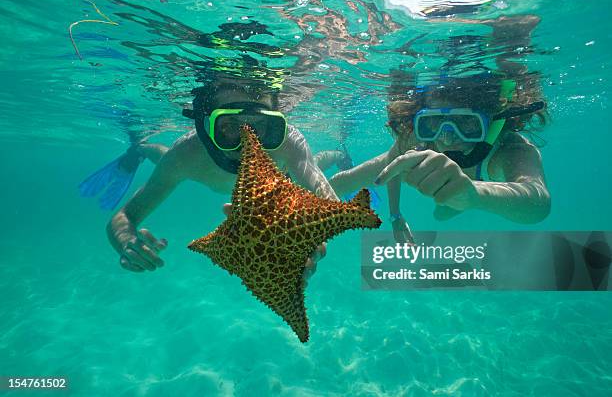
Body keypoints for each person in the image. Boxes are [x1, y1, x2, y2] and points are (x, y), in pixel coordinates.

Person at [95, 73, 337, 274]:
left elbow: (330, 205)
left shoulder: (288, 142)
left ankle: (338, 154)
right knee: (164, 157)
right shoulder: (185, 155)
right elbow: (125, 216)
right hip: (200, 169)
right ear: (207, 125)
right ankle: (141, 147)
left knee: (315, 164)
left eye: (260, 125)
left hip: (263, 178)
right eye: (231, 126)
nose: (249, 142)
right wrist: (127, 242)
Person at [329, 70, 551, 240]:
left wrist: (475, 194)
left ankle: (456, 201)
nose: (446, 139)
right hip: (445, 187)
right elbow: (391, 166)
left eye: (465, 122)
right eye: (435, 122)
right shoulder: (418, 137)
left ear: (490, 120)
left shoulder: (509, 148)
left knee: (444, 212)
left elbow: (538, 204)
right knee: (341, 181)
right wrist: (395, 215)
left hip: (472, 189)